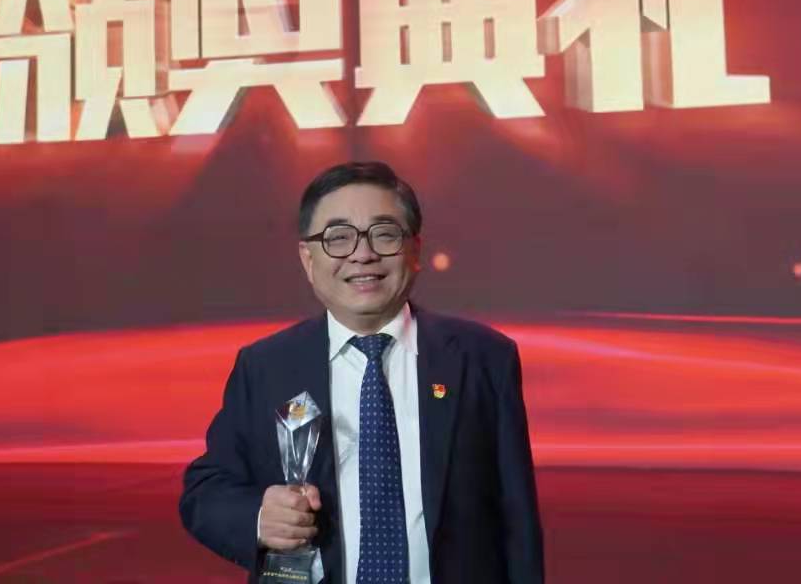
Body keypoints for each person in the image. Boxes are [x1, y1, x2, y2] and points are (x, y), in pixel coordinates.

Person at [180, 161, 544, 584]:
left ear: (415, 250)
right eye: (338, 237)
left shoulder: (482, 358)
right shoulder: (265, 366)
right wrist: (260, 517)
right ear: (308, 259)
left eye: (384, 234)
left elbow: (517, 519)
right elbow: (206, 490)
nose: (362, 254)